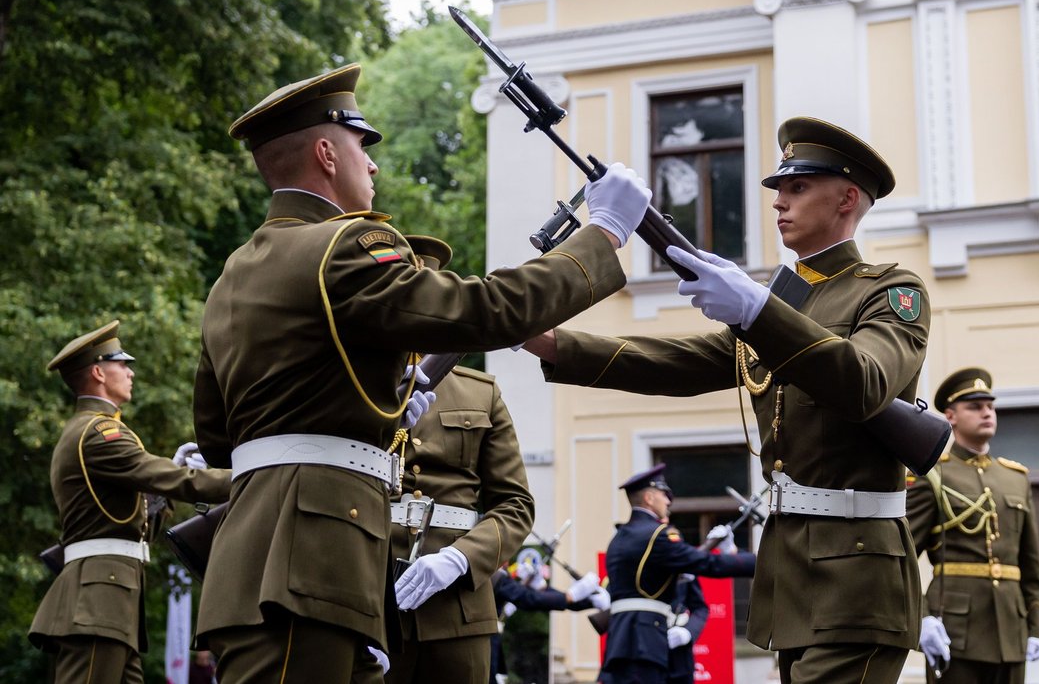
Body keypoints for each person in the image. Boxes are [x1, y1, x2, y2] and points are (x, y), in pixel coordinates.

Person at [193, 62, 652, 684]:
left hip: (267, 553)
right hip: (313, 559)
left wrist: (372, 416)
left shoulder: (234, 274)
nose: (373, 165)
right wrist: (603, 235)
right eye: (363, 145)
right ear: (327, 153)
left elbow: (220, 435)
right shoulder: (344, 245)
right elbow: (480, 312)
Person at [524, 117, 930, 683]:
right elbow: (677, 362)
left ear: (847, 198)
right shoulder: (781, 300)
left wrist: (758, 312)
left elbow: (864, 382)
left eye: (797, 188)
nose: (778, 202)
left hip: (859, 576)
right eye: (778, 190)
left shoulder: (890, 291)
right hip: (792, 575)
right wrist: (551, 343)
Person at [382, 236, 551, 684]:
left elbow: (515, 506)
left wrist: (459, 559)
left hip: (458, 606)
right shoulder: (354, 383)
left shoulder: (481, 391)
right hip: (368, 598)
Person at [28, 321, 231, 683]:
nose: (130, 372)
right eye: (121, 363)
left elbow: (136, 522)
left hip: (110, 600)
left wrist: (166, 483)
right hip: (97, 600)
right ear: (97, 372)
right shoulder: (99, 432)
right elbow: (178, 480)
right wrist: (253, 476)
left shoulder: (93, 430)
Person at [905, 368, 1039, 683]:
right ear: (951, 416)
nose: (987, 412)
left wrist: (1037, 627)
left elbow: (1032, 566)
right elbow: (901, 558)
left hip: (1012, 631)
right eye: (975, 406)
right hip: (955, 633)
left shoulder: (1015, 478)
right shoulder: (932, 475)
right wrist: (922, 619)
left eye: (990, 406)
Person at [597, 465, 754, 684]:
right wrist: (753, 560)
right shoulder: (656, 536)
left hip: (622, 639)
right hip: (645, 641)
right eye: (664, 495)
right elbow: (707, 563)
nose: (669, 502)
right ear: (650, 498)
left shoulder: (619, 538)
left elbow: (647, 580)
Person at [490, 556, 608, 684]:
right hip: (486, 644)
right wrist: (572, 594)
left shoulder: (496, 574)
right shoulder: (494, 574)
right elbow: (529, 598)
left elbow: (537, 596)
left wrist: (586, 601)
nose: (507, 561)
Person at [665, 573, 709, 684]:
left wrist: (687, 632)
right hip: (645, 647)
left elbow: (700, 607)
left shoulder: (682, 561)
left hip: (679, 652)